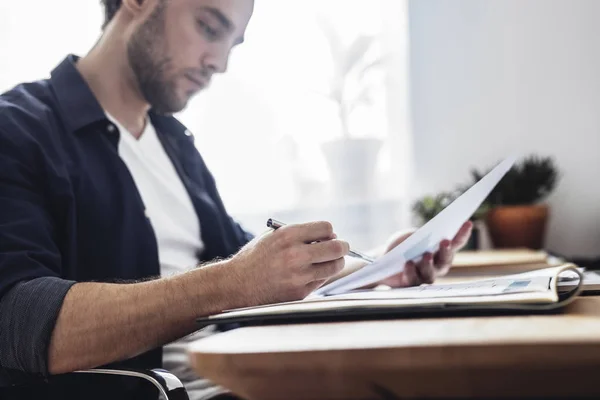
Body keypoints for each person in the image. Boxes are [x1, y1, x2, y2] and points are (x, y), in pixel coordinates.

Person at [0, 0, 472, 399]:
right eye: (209, 27)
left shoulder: (174, 145)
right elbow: (17, 321)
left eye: (232, 43)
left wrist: (381, 270)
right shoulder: (18, 130)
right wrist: (232, 282)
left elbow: (257, 270)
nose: (218, 62)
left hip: (245, 378)